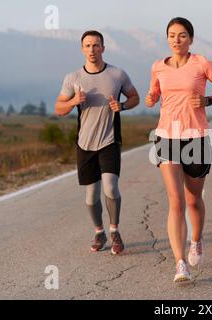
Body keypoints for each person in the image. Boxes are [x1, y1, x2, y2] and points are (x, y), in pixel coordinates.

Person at [145, 17, 212, 282]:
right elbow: (154, 93)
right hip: (167, 137)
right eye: (172, 35)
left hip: (196, 137)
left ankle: (196, 240)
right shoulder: (158, 66)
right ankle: (180, 263)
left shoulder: (201, 63)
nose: (176, 39)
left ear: (191, 39)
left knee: (193, 199)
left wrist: (207, 100)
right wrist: (151, 98)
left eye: (182, 35)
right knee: (176, 201)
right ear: (167, 38)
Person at [55, 30, 140, 255]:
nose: (92, 50)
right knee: (91, 195)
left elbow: (135, 97)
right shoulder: (72, 78)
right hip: (85, 144)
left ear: (103, 47)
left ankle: (115, 231)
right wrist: (74, 100)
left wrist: (121, 106)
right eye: (88, 46)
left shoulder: (117, 74)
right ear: (82, 49)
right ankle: (99, 231)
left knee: (111, 187)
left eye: (96, 45)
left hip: (109, 140)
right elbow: (59, 109)